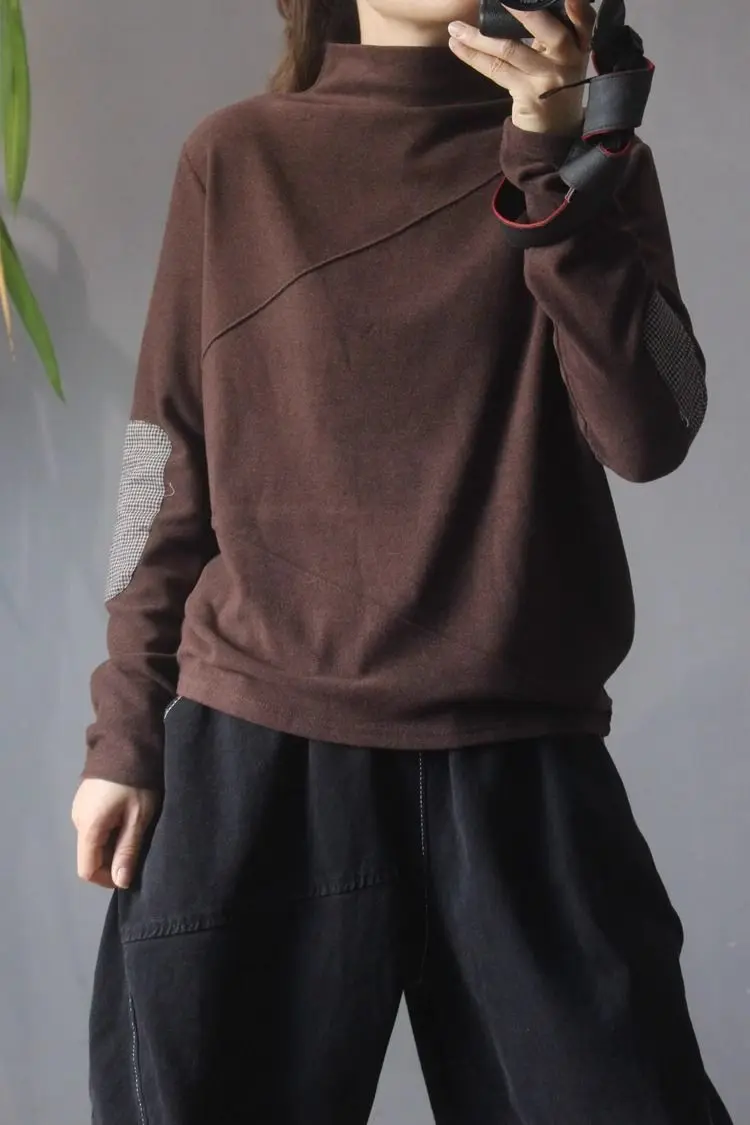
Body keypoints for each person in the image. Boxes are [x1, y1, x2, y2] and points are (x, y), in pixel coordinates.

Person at [72, 1, 734, 1122]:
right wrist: (124, 726)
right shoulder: (237, 157)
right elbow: (161, 461)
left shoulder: (591, 157)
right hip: (260, 759)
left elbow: (656, 424)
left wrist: (549, 158)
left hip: (520, 766)